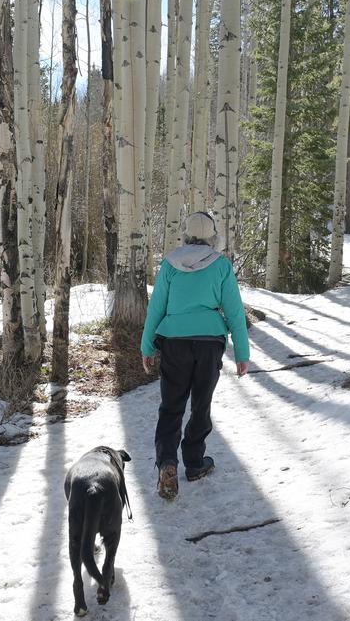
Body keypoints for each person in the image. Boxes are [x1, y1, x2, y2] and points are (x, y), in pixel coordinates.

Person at [140, 211, 250, 501]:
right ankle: (194, 463)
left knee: (171, 407)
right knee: (201, 405)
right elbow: (235, 312)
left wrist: (147, 346)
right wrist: (242, 352)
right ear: (212, 235)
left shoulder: (170, 264)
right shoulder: (222, 266)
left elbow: (157, 308)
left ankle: (167, 463)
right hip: (209, 343)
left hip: (174, 342)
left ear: (186, 233)